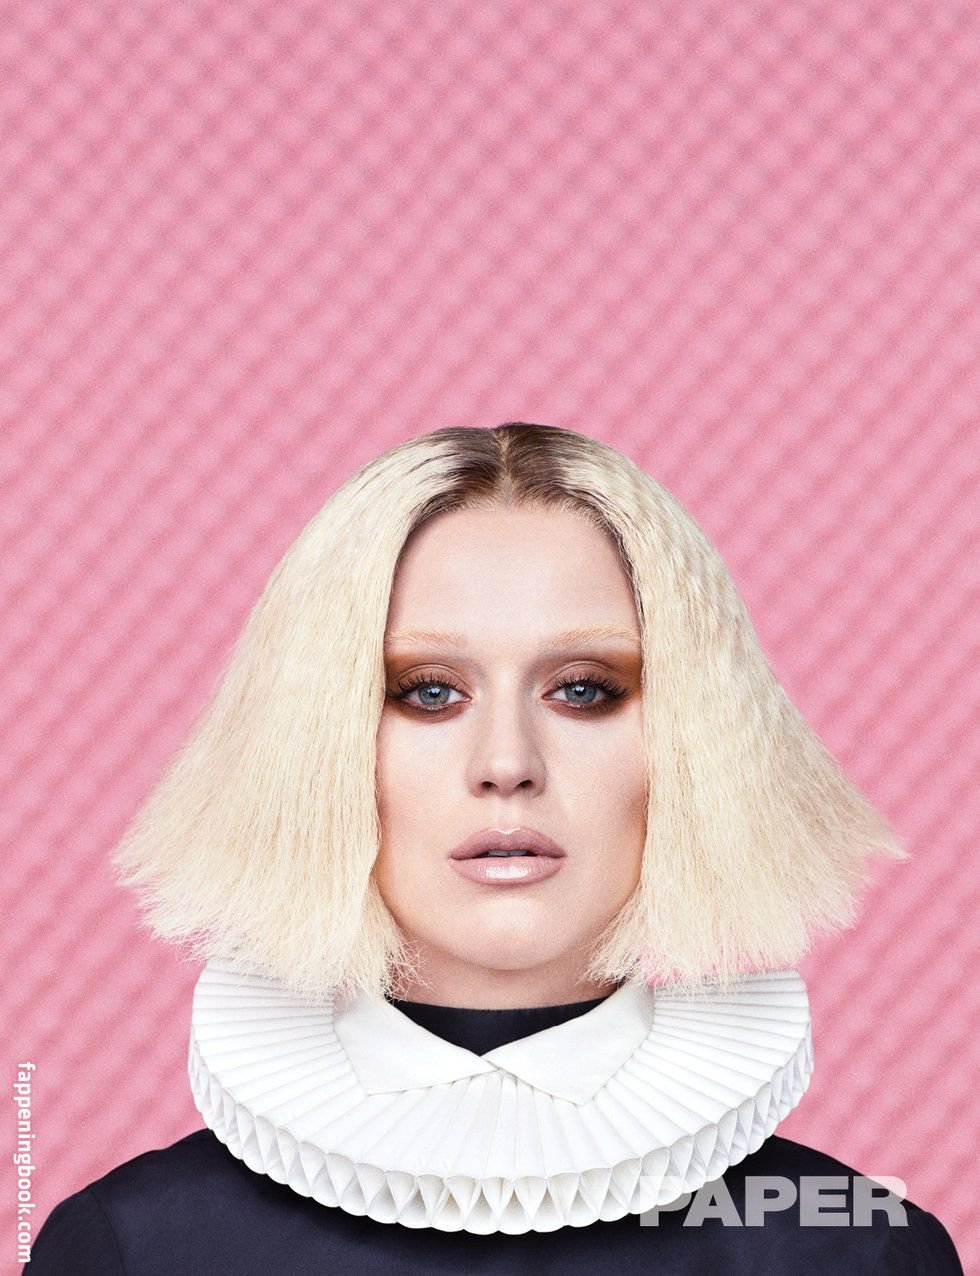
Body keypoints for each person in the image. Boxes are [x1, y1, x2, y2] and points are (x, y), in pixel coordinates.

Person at [27, 422, 963, 1272]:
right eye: (428, 691)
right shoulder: (132, 1248)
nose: (507, 763)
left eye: (584, 689)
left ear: (693, 741)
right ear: (316, 740)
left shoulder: (858, 1250)